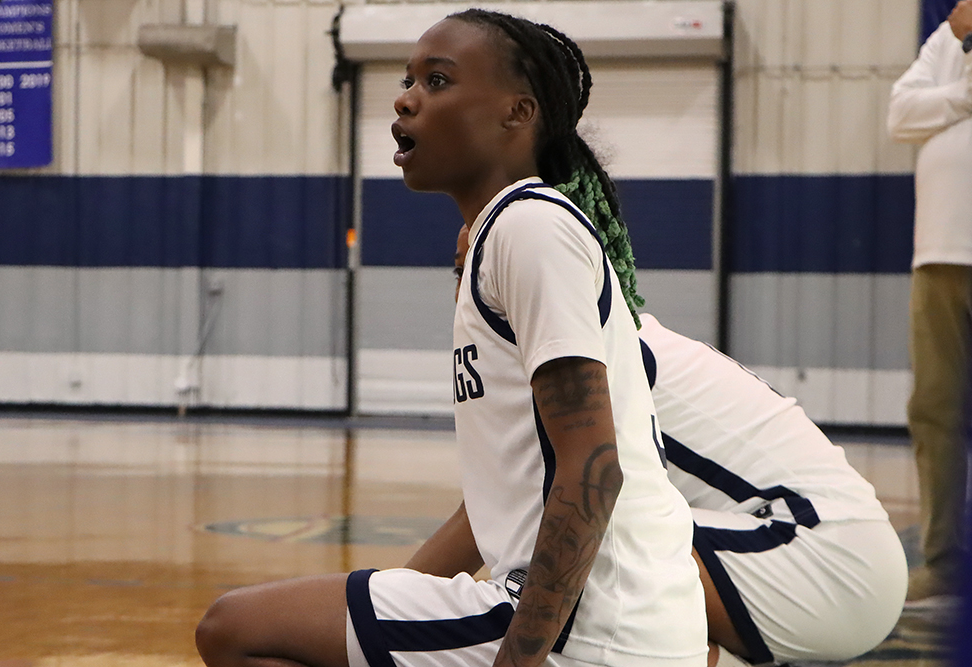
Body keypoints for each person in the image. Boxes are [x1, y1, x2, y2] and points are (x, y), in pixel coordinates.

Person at [195, 9, 707, 667]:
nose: (406, 97)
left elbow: (593, 466)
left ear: (515, 114)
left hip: (591, 630)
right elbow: (493, 507)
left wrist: (517, 660)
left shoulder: (532, 227)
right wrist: (401, 596)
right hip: (604, 622)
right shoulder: (503, 235)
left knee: (233, 629)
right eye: (408, 79)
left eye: (437, 81)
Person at [450, 227, 907, 667]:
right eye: (461, 271)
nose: (464, 291)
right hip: (833, 552)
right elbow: (488, 513)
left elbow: (482, 523)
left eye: (473, 269)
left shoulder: (590, 359)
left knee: (571, 560)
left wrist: (387, 609)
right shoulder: (609, 339)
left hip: (829, 555)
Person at [887, 0, 972, 604]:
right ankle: (944, 561)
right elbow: (900, 113)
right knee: (935, 410)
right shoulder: (951, 35)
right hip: (939, 253)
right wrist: (965, 97)